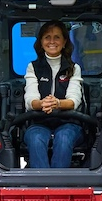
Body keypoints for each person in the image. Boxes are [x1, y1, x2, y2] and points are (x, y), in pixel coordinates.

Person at [22, 20, 84, 169]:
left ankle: (60, 185)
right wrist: (42, 104)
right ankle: (41, 186)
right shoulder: (33, 67)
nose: (52, 41)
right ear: (41, 42)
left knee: (63, 138)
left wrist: (57, 103)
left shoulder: (74, 68)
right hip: (39, 122)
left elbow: (73, 100)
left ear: (64, 42)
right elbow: (30, 100)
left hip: (69, 123)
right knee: (36, 138)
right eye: (47, 37)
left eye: (57, 37)